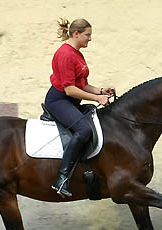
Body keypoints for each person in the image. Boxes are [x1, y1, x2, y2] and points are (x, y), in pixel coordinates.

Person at [45, 18, 114, 197]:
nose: (90, 39)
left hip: (71, 99)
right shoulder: (66, 54)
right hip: (59, 100)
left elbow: (81, 84)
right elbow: (70, 90)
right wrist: (97, 98)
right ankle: (62, 179)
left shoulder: (77, 52)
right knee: (84, 130)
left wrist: (100, 90)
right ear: (76, 34)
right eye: (87, 35)